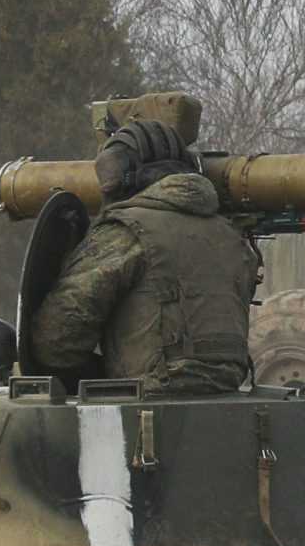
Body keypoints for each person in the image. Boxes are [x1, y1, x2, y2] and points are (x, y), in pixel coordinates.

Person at [32, 119, 260, 394]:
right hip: (227, 399)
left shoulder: (127, 232)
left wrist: (97, 378)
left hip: (142, 407)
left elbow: (55, 339)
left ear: (121, 172)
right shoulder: (232, 236)